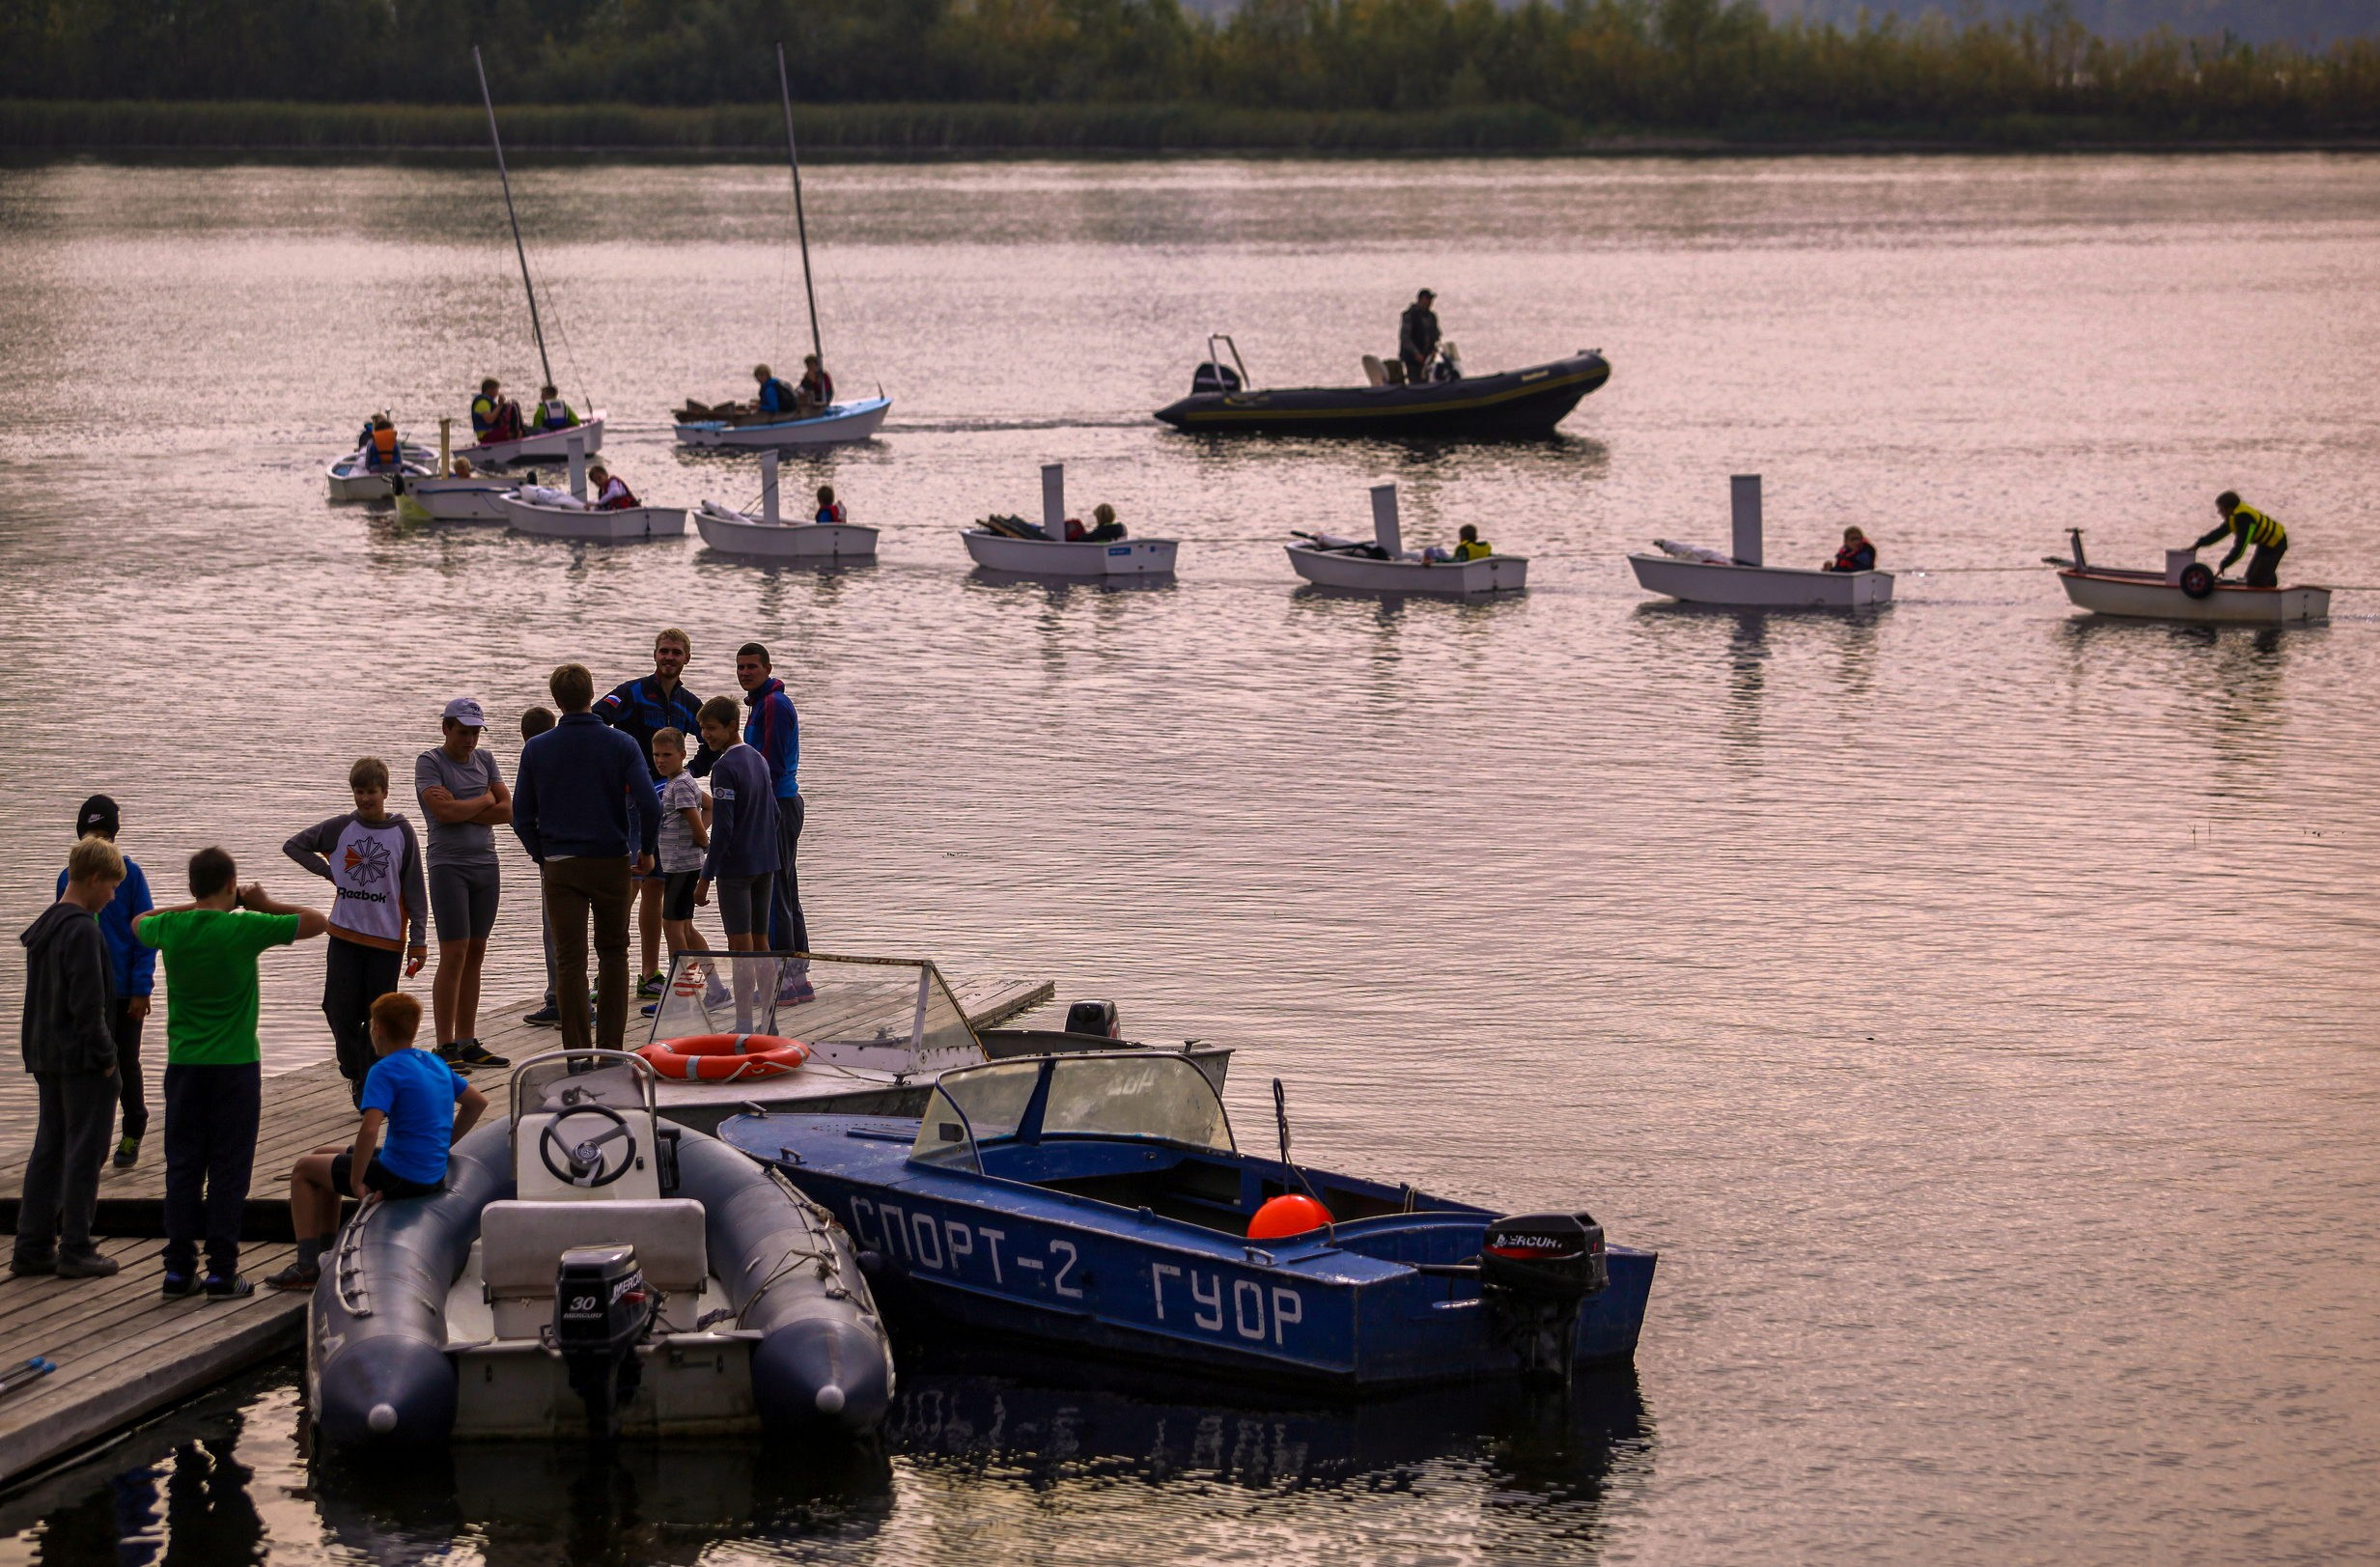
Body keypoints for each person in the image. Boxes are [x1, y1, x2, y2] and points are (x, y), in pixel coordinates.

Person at [134, 849, 329, 1299]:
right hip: (235, 1067)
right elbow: (316, 920)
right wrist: (263, 904)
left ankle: (178, 1271)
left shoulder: (170, 928)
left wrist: (196, 905)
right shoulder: (245, 926)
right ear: (231, 884)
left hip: (184, 1067)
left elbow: (138, 920)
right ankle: (223, 1271)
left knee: (183, 1167)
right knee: (228, 1169)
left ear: (192, 887)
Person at [265, 993, 486, 1293]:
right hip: (427, 1172)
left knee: (304, 1169)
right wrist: (444, 1143)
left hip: (402, 1177)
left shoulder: (383, 1070)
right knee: (323, 1155)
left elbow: (369, 1130)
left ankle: (305, 1266)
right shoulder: (432, 1062)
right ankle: (328, 1250)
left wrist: (357, 1182)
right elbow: (476, 1103)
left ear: (377, 1030)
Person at [513, 663, 660, 1057]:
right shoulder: (622, 744)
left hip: (561, 864)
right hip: (613, 860)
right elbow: (650, 804)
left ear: (557, 701)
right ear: (591, 695)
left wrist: (541, 856)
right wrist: (646, 850)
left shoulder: (537, 748)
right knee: (614, 953)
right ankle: (611, 1048)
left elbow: (520, 815)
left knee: (569, 959)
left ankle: (575, 1052)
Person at [14, 835, 128, 1280]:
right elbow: (88, 1006)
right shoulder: (81, 928)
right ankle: (76, 1246)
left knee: (51, 1147)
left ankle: (33, 1245)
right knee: (86, 1150)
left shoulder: (47, 924)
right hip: (81, 1059)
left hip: (46, 1055)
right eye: (111, 887)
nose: (113, 896)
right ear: (94, 878)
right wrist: (108, 1060)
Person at [283, 759, 430, 1108]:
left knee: (378, 1017)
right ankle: (354, 1068)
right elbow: (294, 845)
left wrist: (419, 941)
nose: (365, 799)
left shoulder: (401, 832)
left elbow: (415, 891)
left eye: (372, 792)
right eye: (359, 792)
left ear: (385, 792)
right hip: (345, 936)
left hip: (387, 941)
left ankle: (371, 1085)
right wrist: (329, 870)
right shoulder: (341, 827)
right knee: (336, 1008)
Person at [595, 630, 717, 998]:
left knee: (658, 889)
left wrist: (690, 774)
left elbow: (711, 739)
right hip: (632, 803)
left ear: (687, 659)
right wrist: (620, 769)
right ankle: (609, 975)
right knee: (628, 888)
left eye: (676, 652)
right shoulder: (632, 692)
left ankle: (650, 975)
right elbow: (598, 721)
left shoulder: (688, 703)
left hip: (667, 803)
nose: (669, 657)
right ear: (654, 655)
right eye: (664, 651)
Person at [56, 797, 154, 1168]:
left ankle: (133, 1129)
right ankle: (90, 1136)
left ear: (114, 838)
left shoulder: (130, 875)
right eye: (89, 836)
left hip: (124, 989)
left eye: (103, 835)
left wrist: (140, 988)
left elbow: (144, 934)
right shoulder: (68, 879)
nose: (96, 843)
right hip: (86, 992)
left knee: (125, 1061)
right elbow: (63, 937)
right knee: (89, 1062)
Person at [414, 699, 512, 1070]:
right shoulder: (431, 762)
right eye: (463, 732)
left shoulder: (485, 760)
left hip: (486, 865)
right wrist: (485, 799)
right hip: (448, 866)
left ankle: (469, 1040)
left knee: (476, 953)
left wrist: (473, 803)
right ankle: (445, 1045)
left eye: (475, 732)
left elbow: (507, 810)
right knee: (453, 953)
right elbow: (443, 812)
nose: (470, 739)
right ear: (446, 729)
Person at [696, 697, 781, 1028]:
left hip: (736, 869)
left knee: (740, 945)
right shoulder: (758, 759)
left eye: (712, 728)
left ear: (733, 726)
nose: (706, 735)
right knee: (762, 942)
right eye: (702, 728)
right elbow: (773, 813)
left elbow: (725, 827)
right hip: (765, 862)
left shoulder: (724, 768)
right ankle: (769, 1022)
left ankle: (744, 1024)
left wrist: (706, 876)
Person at [736, 643, 810, 978]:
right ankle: (797, 968)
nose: (745, 673)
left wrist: (756, 806)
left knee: (776, 888)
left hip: (777, 803)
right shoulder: (760, 704)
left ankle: (785, 971)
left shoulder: (774, 705)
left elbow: (770, 763)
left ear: (767, 668)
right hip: (777, 802)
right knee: (784, 886)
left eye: (752, 667)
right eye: (740, 667)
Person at [651, 728, 715, 995]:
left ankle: (682, 990)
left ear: (682, 755)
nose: (661, 760)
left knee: (672, 926)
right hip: (679, 864)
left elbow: (698, 825)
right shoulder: (683, 781)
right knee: (686, 928)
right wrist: (698, 840)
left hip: (682, 866)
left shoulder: (679, 786)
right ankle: (715, 988)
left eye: (667, 755)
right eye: (656, 755)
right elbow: (711, 806)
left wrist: (701, 841)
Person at [518, 707, 563, 1028]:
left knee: (555, 930)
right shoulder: (572, 753)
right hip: (595, 851)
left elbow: (519, 814)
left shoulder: (535, 757)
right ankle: (581, 996)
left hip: (554, 854)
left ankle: (559, 1000)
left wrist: (538, 854)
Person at [2195, 490, 2288, 587]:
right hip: (2265, 544)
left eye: (2221, 509)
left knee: (2255, 582)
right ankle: (2268, 578)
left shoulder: (2244, 519)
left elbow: (2241, 547)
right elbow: (2219, 533)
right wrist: (2199, 544)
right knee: (2249, 578)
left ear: (2229, 509)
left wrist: (2224, 564)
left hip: (2277, 544)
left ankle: (2269, 590)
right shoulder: (2233, 516)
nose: (2219, 512)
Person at [1398, 289, 1441, 383]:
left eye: (1431, 299)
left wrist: (1434, 350)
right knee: (1415, 381)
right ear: (1421, 299)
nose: (1430, 302)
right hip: (1412, 359)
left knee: (1428, 380)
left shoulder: (1432, 316)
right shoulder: (1410, 315)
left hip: (1427, 359)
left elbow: (1437, 335)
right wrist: (1416, 353)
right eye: (1428, 299)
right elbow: (1405, 338)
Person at [470, 378, 523, 443]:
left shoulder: (489, 402)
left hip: (491, 431)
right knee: (517, 433)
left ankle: (521, 430)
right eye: (497, 389)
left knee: (514, 404)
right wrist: (500, 405)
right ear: (490, 390)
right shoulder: (482, 402)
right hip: (485, 435)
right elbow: (489, 420)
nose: (498, 392)